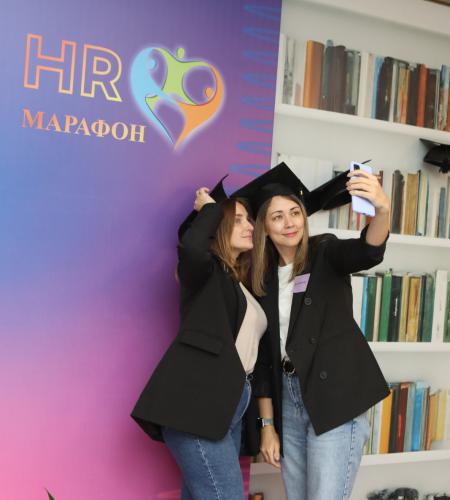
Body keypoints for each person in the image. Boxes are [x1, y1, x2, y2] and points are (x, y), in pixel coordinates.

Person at [233, 162, 391, 500]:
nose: (289, 223)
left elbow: (367, 251)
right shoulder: (261, 278)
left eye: (295, 212)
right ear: (264, 227)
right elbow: (264, 361)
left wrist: (382, 210)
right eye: (277, 217)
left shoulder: (325, 252)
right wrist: (267, 426)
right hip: (288, 400)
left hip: (334, 397)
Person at [131, 178, 267, 500]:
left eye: (249, 219)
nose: (250, 226)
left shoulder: (237, 283)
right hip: (199, 405)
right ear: (217, 227)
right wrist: (210, 210)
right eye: (238, 220)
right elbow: (192, 248)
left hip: (230, 405)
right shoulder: (205, 274)